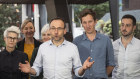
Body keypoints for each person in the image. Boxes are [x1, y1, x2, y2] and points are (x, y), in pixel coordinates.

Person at [19, 17, 94, 79]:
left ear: (64, 31)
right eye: (53, 28)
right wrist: (30, 70)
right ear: (50, 30)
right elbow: (37, 68)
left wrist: (83, 69)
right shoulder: (42, 47)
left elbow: (78, 71)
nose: (56, 32)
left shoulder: (72, 48)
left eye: (59, 28)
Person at [73, 9, 115, 79]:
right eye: (84, 22)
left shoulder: (106, 40)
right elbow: (72, 65)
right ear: (82, 24)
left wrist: (102, 76)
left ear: (95, 21)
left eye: (90, 22)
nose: (87, 25)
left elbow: (111, 64)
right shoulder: (76, 41)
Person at [112, 14, 140, 79]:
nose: (124, 28)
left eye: (128, 25)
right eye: (122, 25)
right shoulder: (113, 45)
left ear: (134, 27)